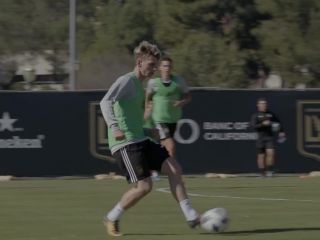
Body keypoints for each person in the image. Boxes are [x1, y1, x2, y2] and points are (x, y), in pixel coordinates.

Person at [100, 41, 201, 237]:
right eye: (152, 65)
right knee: (145, 187)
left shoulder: (139, 85)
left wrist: (151, 129)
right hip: (126, 144)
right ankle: (112, 217)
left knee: (175, 169)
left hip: (140, 140)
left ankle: (191, 216)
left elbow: (133, 115)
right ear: (139, 62)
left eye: (156, 65)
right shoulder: (127, 80)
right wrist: (114, 127)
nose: (155, 69)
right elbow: (106, 101)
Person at [144, 56, 191, 181]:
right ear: (159, 68)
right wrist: (147, 110)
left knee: (163, 149)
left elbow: (188, 96)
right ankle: (176, 175)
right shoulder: (153, 83)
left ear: (171, 67)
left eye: (169, 66)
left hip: (173, 120)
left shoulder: (179, 81)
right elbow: (147, 97)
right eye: (164, 66)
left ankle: (153, 168)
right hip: (159, 119)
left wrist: (182, 102)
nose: (166, 68)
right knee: (170, 146)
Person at [250, 98, 285, 177]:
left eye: (265, 103)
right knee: (261, 155)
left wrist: (281, 131)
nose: (264, 105)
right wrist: (263, 124)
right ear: (258, 105)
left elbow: (278, 122)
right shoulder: (256, 115)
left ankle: (270, 171)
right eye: (262, 103)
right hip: (260, 138)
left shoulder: (270, 114)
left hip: (269, 137)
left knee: (271, 153)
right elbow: (252, 126)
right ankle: (262, 172)